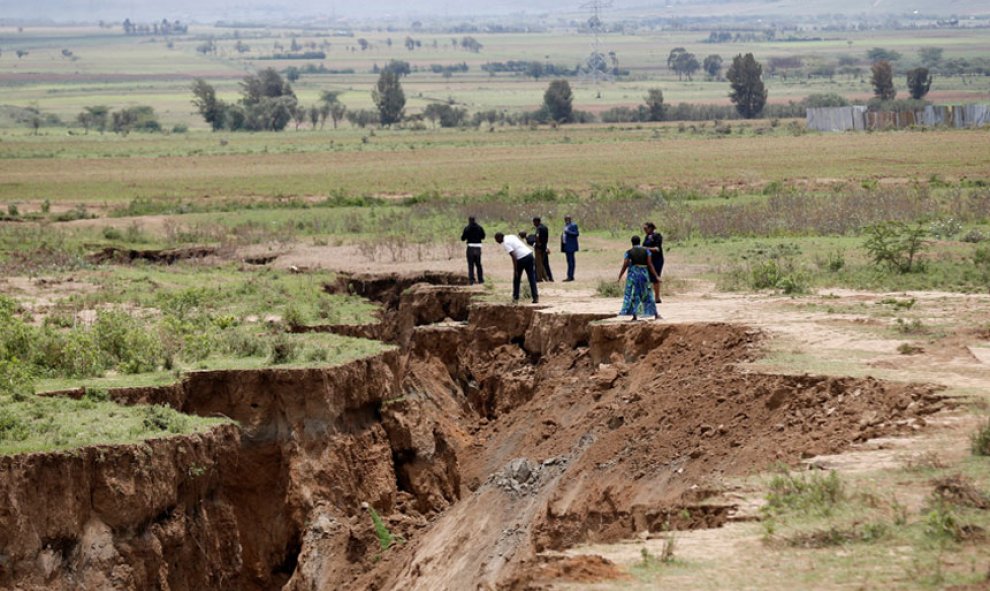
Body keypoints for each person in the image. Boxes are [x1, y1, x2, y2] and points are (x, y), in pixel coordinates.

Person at [617, 236, 659, 321]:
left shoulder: (629, 252)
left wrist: (620, 276)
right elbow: (650, 264)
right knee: (648, 293)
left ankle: (635, 315)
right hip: (644, 274)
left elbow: (625, 264)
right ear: (640, 242)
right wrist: (656, 275)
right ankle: (656, 314)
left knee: (634, 294)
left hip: (633, 275)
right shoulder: (646, 251)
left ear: (631, 242)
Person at [495, 232, 539, 304]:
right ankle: (535, 297)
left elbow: (514, 256)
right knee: (531, 277)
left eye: (497, 239)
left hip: (521, 258)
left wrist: (515, 270)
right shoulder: (511, 236)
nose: (497, 241)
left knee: (516, 279)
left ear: (500, 237)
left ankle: (515, 298)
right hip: (529, 255)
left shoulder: (506, 243)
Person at [642, 222, 664, 305]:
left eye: (646, 228)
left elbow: (657, 249)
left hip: (657, 259)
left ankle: (657, 297)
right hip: (649, 260)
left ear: (651, 228)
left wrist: (646, 248)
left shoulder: (657, 236)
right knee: (647, 278)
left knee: (656, 277)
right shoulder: (647, 237)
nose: (645, 230)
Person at [460, 216, 486, 285]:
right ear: (475, 220)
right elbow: (483, 237)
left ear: (469, 220)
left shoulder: (467, 228)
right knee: (478, 264)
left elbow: (463, 238)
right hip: (478, 247)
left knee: (470, 264)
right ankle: (480, 280)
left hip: (470, 247)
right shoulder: (480, 227)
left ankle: (471, 280)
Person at [532, 217, 553, 282]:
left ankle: (538, 278)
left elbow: (537, 236)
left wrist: (538, 243)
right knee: (545, 263)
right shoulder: (545, 227)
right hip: (544, 247)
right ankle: (550, 277)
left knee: (538, 263)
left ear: (537, 221)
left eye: (534, 222)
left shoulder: (539, 228)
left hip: (540, 249)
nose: (533, 224)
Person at [560, 215, 580, 282]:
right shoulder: (566, 226)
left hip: (571, 246)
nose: (566, 220)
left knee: (571, 262)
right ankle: (570, 276)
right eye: (565, 219)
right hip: (566, 246)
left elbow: (576, 234)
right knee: (569, 261)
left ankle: (570, 276)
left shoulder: (573, 225)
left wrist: (568, 232)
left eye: (568, 219)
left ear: (570, 219)